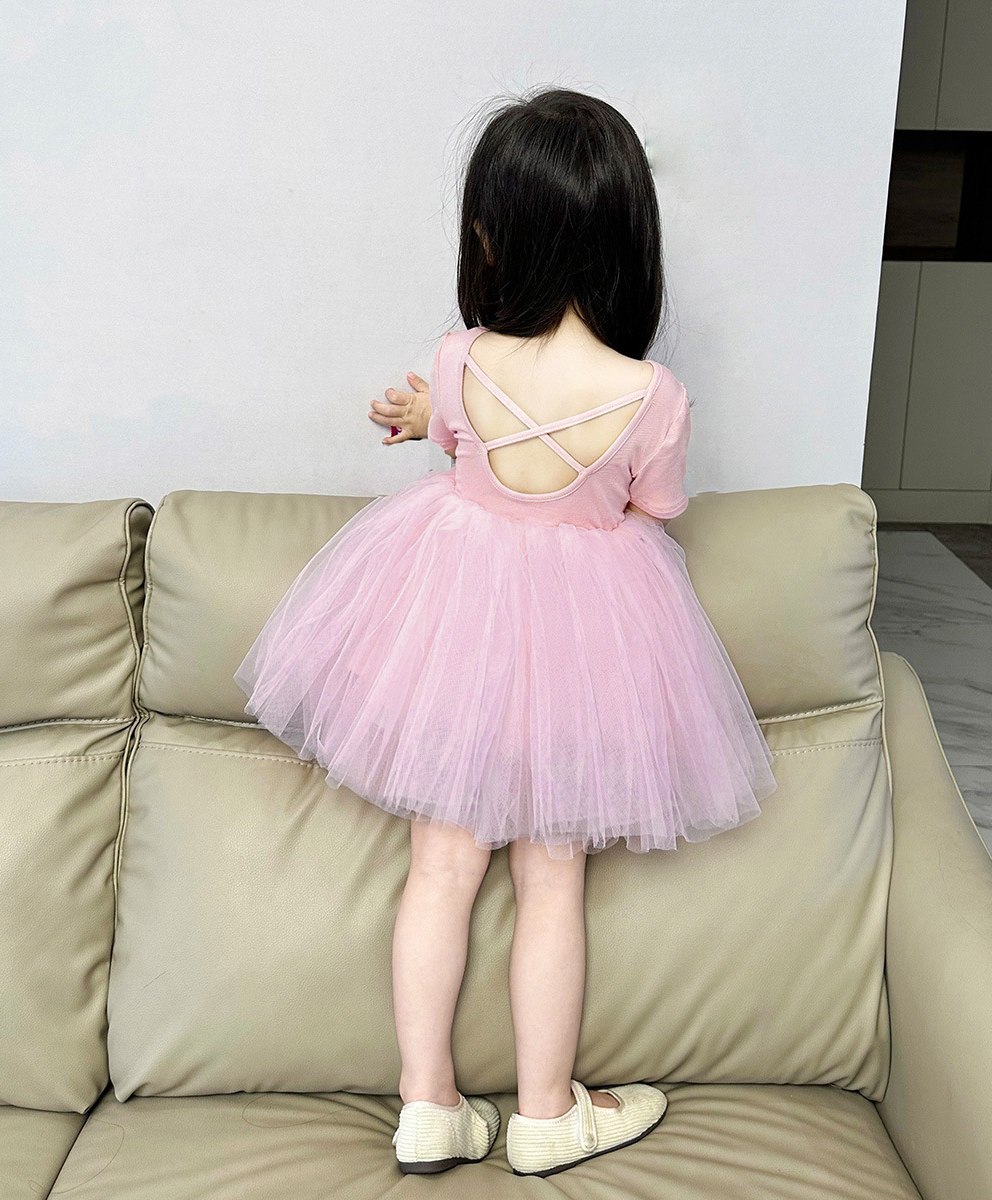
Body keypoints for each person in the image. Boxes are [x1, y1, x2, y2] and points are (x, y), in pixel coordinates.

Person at [234, 86, 778, 1178]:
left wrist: (423, 421)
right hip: (587, 641)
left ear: (495, 235)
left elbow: (456, 437)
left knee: (439, 867)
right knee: (553, 874)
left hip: (454, 622)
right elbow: (650, 512)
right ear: (627, 239)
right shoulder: (654, 395)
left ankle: (428, 1105)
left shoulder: (462, 358)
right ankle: (543, 1115)